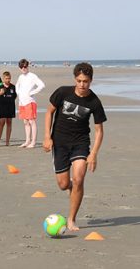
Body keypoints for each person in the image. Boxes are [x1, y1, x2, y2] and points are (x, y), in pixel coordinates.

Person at [43, 63, 106, 231]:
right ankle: (72, 188)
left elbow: (99, 131)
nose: (82, 85)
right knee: (64, 185)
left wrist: (93, 154)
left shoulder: (94, 102)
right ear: (75, 79)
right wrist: (47, 136)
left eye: (85, 81)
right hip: (60, 143)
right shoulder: (63, 92)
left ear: (91, 81)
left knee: (79, 179)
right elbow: (49, 112)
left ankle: (71, 219)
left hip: (80, 143)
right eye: (79, 81)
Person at [15, 59, 45, 148]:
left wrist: (32, 93)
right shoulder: (20, 77)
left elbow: (42, 85)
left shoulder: (32, 76)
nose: (23, 68)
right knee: (25, 122)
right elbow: (17, 85)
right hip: (22, 102)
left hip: (30, 102)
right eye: (21, 67)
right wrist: (18, 93)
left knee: (31, 121)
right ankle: (27, 140)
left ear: (28, 66)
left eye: (25, 66)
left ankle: (33, 141)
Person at [0, 71, 16, 146]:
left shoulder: (13, 87)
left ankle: (7, 141)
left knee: (9, 122)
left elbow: (14, 96)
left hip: (11, 106)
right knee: (2, 122)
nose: (8, 80)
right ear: (3, 79)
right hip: (2, 106)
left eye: (9, 78)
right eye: (6, 78)